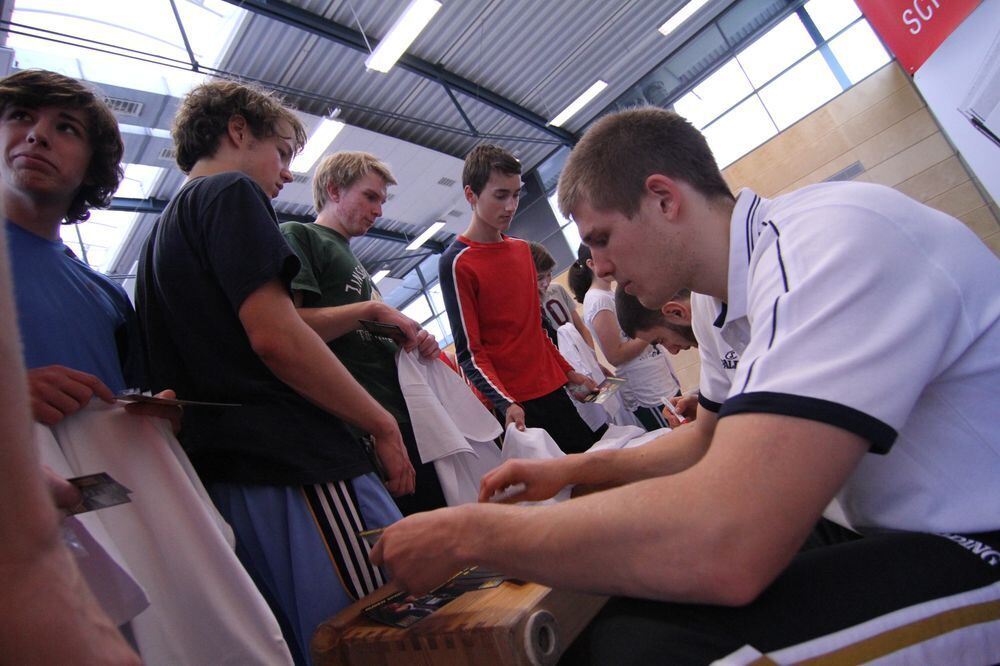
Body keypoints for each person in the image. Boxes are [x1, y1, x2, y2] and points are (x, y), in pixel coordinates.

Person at [372, 107, 1000, 664]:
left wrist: (468, 534)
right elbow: (706, 441)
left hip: (975, 537)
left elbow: (730, 542)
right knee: (624, 613)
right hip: (879, 527)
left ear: (664, 199)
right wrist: (569, 473)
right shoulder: (714, 300)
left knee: (654, 648)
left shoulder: (834, 245)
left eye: (601, 240)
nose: (601, 269)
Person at [135, 80, 414, 664]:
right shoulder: (231, 192)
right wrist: (380, 423)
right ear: (238, 130)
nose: (287, 172)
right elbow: (277, 335)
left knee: (316, 639)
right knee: (385, 629)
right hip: (293, 464)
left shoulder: (157, 240)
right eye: (283, 152)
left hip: (232, 477)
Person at [0, 76, 140, 666]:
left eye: (66, 128)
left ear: (92, 167)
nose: (37, 135)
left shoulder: (106, 297)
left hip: (108, 536)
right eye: (21, 116)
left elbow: (129, 402)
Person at [280, 151, 446, 515]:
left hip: (404, 415)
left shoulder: (351, 259)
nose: (379, 211)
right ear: (334, 190)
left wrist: (411, 338)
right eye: (370, 197)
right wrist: (370, 309)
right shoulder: (300, 236)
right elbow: (289, 329)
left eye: (381, 201)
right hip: (364, 426)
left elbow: (363, 329)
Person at [438, 143, 600, 454]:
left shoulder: (522, 250)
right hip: (517, 405)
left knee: (594, 472)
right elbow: (470, 353)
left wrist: (569, 374)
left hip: (553, 391)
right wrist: (505, 402)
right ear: (471, 195)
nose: (511, 205)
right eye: (500, 195)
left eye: (516, 194)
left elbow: (536, 332)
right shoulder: (457, 262)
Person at [569, 243, 681, 431]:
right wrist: (653, 331)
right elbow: (615, 355)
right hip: (646, 389)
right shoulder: (598, 300)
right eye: (607, 258)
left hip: (658, 379)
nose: (614, 262)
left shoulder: (610, 294)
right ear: (591, 263)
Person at [615, 285, 734, 425]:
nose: (673, 351)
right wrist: (704, 406)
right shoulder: (710, 338)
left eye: (661, 340)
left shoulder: (733, 324)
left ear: (676, 313)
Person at [528, 240, 595, 350]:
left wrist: (592, 356)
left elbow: (581, 328)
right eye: (540, 278)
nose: (546, 282)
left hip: (581, 355)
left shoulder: (557, 289)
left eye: (549, 274)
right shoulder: (527, 308)